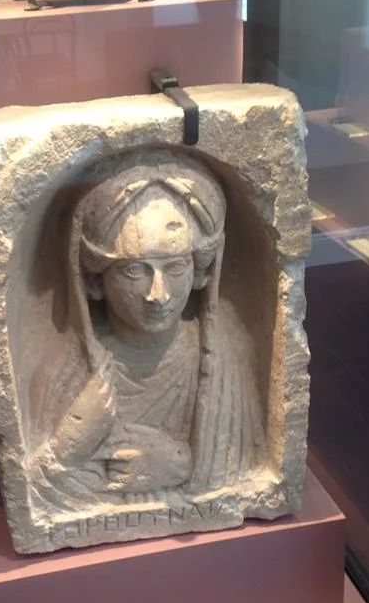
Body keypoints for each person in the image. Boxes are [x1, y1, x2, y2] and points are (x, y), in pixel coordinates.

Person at [28, 153, 263, 511]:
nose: (159, 294)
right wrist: (68, 445)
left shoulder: (223, 365)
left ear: (200, 273)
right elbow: (34, 495)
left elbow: (243, 475)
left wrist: (183, 466)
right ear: (96, 281)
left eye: (176, 267)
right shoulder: (67, 374)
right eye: (134, 271)